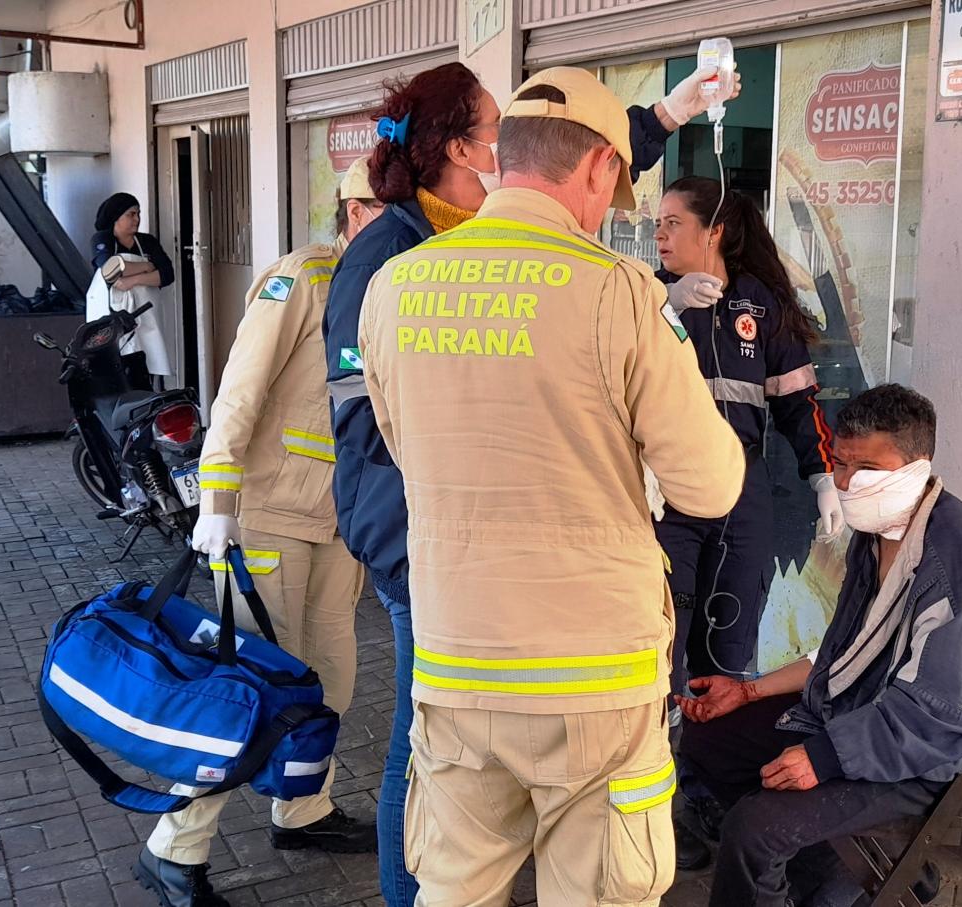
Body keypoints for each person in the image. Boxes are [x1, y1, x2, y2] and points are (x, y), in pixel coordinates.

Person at [322, 59, 737, 907]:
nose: (603, 215)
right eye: (610, 190)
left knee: (454, 889)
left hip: (456, 665)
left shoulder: (393, 284)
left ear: (502, 157)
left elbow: (401, 446)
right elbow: (710, 486)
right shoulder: (618, 292)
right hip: (595, 684)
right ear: (596, 168)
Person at [674, 384, 962, 907]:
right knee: (711, 742)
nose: (846, 482)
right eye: (840, 465)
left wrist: (822, 757)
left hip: (917, 752)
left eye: (864, 468)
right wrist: (749, 693)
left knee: (755, 831)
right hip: (858, 717)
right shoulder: (879, 534)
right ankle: (836, 875)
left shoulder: (951, 550)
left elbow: (938, 714)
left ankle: (829, 878)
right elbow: (841, 651)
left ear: (917, 466)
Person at [131, 161, 384, 907]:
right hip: (268, 514)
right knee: (245, 688)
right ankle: (173, 846)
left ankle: (303, 806)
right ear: (357, 213)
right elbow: (239, 389)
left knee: (329, 680)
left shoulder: (389, 292)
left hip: (342, 521)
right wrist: (218, 495)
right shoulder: (301, 279)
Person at [651, 175, 840, 708]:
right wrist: (666, 304)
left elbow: (798, 402)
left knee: (727, 636)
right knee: (664, 630)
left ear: (714, 231)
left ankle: (706, 779)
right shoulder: (642, 296)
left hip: (741, 491)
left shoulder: (758, 305)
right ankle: (654, 752)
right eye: (657, 225)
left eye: (673, 223)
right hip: (668, 494)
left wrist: (823, 476)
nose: (660, 236)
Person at [91, 192, 175, 389]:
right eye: (131, 214)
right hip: (113, 317)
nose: (137, 219)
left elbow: (167, 274)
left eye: (138, 214)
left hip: (146, 315)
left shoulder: (147, 242)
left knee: (146, 367)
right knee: (117, 370)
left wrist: (133, 279)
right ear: (116, 217)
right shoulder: (102, 239)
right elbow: (110, 270)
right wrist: (147, 266)